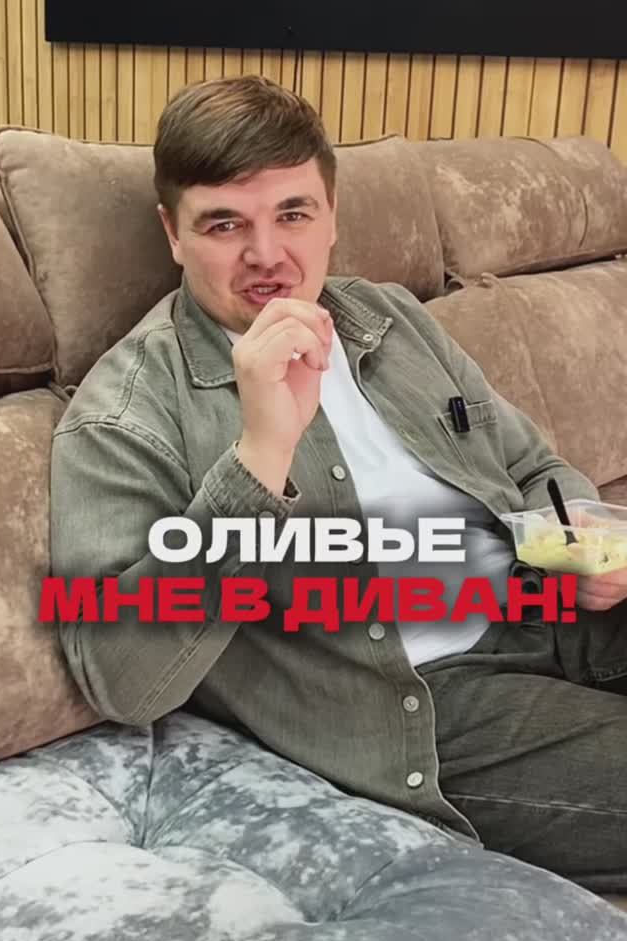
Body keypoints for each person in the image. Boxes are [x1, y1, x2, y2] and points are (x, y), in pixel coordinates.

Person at [49, 75, 627, 895]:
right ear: (173, 233)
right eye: (224, 224)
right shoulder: (126, 410)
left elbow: (533, 467)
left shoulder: (392, 318)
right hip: (428, 698)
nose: (266, 255)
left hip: (553, 607)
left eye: (293, 214)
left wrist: (580, 536)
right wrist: (259, 457)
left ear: (331, 216)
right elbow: (122, 679)